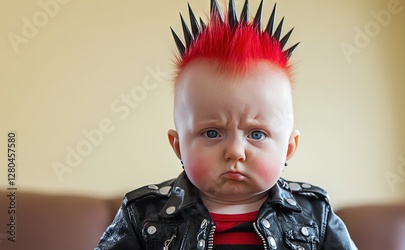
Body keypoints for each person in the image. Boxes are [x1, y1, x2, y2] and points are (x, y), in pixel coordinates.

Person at [95, 0, 356, 249]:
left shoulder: (315, 215)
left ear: (288, 147)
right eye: (212, 132)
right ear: (178, 146)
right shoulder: (142, 215)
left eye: (256, 133)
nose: (235, 151)